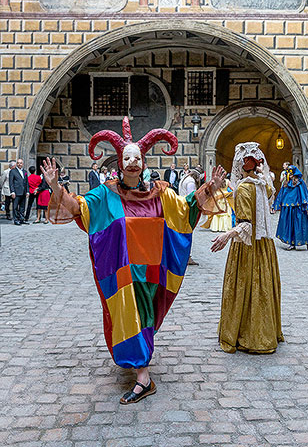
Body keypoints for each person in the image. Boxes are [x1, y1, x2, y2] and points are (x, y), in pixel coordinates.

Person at [43, 117, 225, 405]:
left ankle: (143, 374)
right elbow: (78, 209)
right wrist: (56, 188)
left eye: (136, 157)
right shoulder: (104, 195)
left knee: (145, 319)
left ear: (143, 162)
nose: (131, 162)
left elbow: (187, 209)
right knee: (131, 317)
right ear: (119, 161)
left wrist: (210, 188)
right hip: (123, 273)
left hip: (152, 271)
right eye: (126, 157)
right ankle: (143, 373)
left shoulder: (161, 193)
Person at [212, 142, 284, 354]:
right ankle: (266, 332)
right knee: (263, 288)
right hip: (265, 246)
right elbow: (272, 189)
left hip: (247, 247)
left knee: (244, 287)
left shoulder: (243, 188)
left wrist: (226, 235)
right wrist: (261, 171)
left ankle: (245, 333)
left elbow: (245, 224)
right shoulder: (262, 183)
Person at [273, 165, 308, 251]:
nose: (289, 174)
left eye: (291, 172)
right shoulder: (286, 183)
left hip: (298, 207)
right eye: (288, 172)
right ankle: (292, 243)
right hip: (288, 208)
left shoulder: (300, 182)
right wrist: (277, 204)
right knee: (290, 225)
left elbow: (304, 193)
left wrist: (307, 205)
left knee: (302, 225)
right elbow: (282, 194)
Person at [9, 159, 29, 226]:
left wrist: (28, 191)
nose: (19, 164)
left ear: (22, 164)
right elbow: (11, 182)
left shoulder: (25, 171)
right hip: (16, 192)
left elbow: (26, 182)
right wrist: (12, 191)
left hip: (23, 192)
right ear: (16, 164)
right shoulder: (13, 171)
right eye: (18, 163)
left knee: (22, 207)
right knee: (15, 207)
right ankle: (16, 220)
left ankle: (21, 219)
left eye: (20, 163)